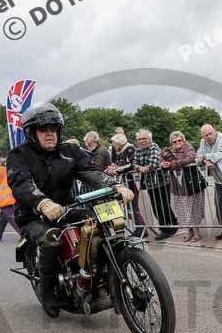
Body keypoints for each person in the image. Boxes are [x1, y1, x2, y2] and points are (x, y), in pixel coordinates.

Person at [7, 103, 133, 318]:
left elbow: (90, 171)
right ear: (31, 133)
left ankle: (104, 280)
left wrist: (114, 185)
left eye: (53, 129)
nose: (50, 134)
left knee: (100, 223)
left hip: (66, 207)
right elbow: (21, 183)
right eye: (43, 129)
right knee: (51, 238)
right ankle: (47, 292)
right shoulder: (19, 155)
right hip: (34, 215)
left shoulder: (70, 151)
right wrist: (43, 203)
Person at [135, 128, 178, 241]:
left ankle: (166, 229)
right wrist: (140, 167)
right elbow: (133, 163)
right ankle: (171, 225)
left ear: (149, 139)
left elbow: (154, 163)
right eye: (139, 139)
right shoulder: (138, 150)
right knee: (156, 207)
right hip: (149, 183)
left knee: (163, 206)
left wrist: (146, 168)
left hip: (161, 181)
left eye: (143, 138)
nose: (141, 141)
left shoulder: (154, 147)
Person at [162, 131, 206, 243]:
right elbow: (163, 162)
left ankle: (197, 232)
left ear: (183, 139)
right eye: (174, 141)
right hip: (177, 187)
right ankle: (189, 232)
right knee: (183, 210)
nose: (177, 142)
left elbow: (190, 158)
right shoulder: (170, 151)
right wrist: (164, 165)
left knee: (193, 209)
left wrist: (174, 164)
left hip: (190, 184)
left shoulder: (188, 147)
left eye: (179, 140)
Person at [106, 133, 147, 239]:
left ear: (119, 143)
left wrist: (116, 171)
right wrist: (113, 168)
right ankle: (139, 228)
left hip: (132, 180)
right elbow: (121, 164)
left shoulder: (129, 149)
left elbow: (130, 165)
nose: (114, 146)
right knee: (130, 207)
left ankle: (141, 229)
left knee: (133, 207)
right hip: (127, 180)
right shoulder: (123, 150)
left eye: (115, 143)